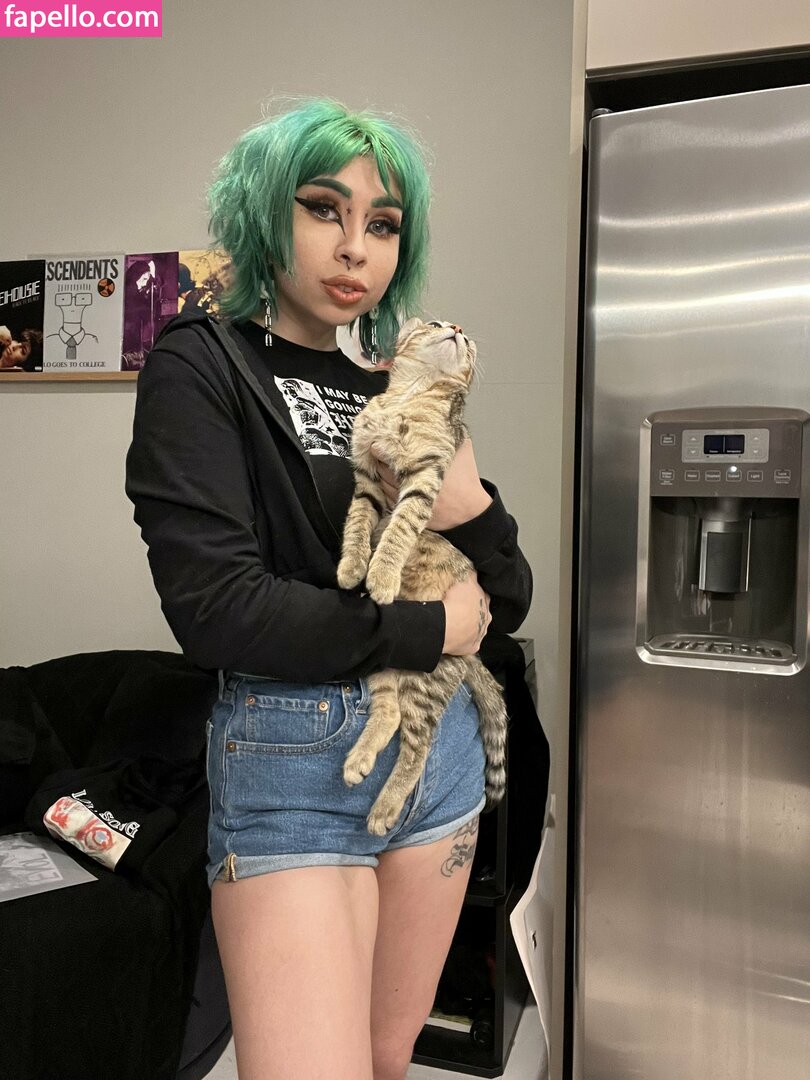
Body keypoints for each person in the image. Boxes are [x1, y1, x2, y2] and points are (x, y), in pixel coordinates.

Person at [125, 99, 531, 1080]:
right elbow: (219, 611)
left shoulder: (394, 384)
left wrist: (473, 508)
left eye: (382, 224)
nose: (356, 247)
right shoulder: (201, 362)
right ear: (265, 212)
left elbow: (504, 597)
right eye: (323, 209)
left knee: (387, 1058)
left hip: (437, 750)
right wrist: (432, 627)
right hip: (293, 757)